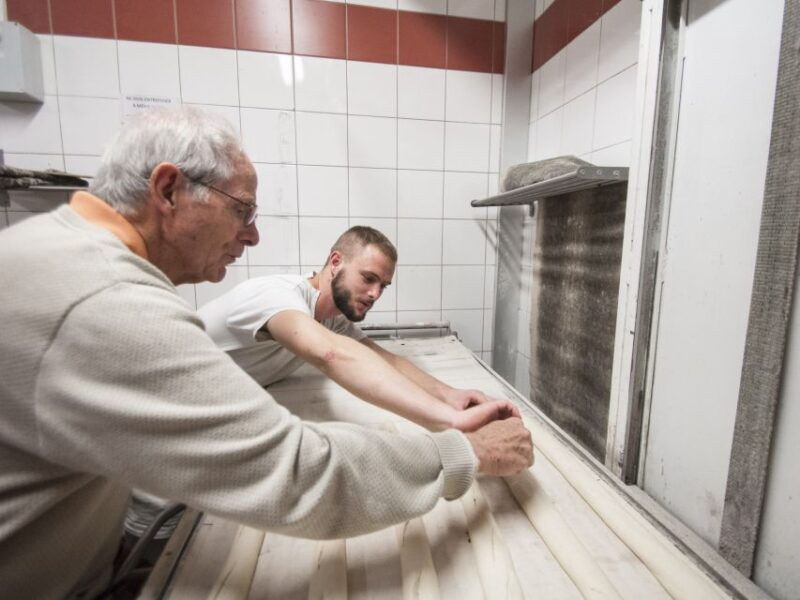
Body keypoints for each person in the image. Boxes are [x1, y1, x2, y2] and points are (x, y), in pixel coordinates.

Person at [0, 106, 533, 599]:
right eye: (242, 210)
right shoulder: (112, 303)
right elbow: (300, 464)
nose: (252, 236)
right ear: (168, 189)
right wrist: (463, 446)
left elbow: (374, 354)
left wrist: (450, 396)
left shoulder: (62, 254)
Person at [125, 226, 522, 546]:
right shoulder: (274, 296)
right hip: (161, 467)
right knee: (163, 566)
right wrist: (452, 423)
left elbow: (383, 358)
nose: (375, 294)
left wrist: (451, 395)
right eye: (368, 278)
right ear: (336, 262)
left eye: (383, 285)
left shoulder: (332, 318)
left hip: (207, 456)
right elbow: (330, 354)